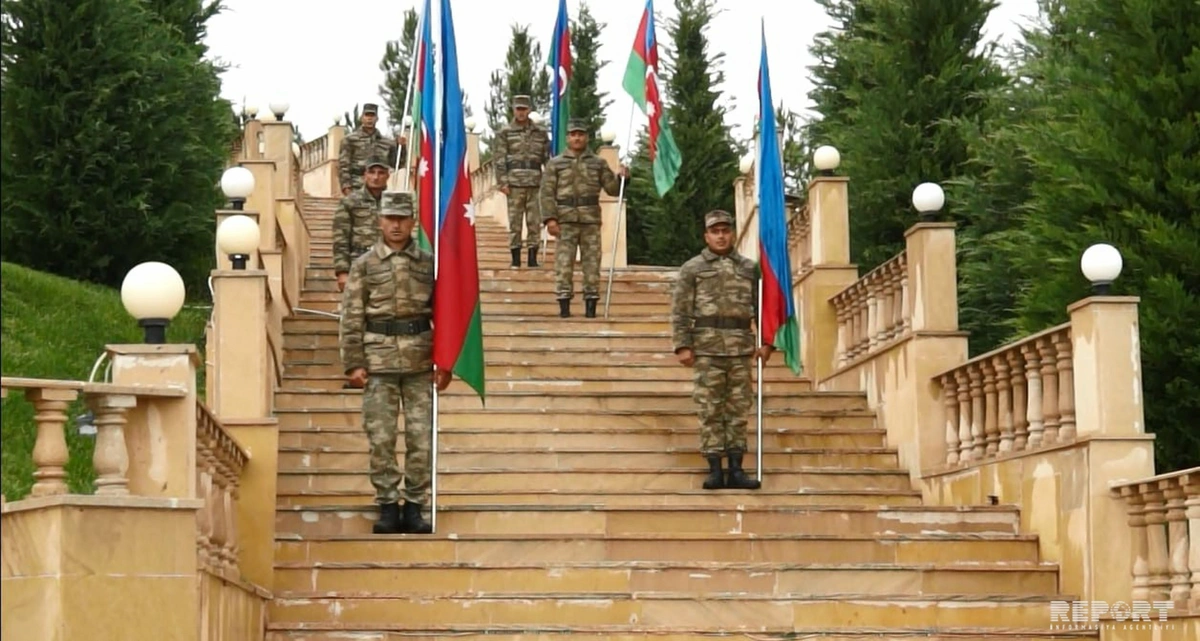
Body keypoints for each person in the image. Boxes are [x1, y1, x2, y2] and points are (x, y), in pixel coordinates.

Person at [339, 190, 452, 534]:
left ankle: (415, 505)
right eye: (390, 218)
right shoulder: (364, 265)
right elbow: (351, 315)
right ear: (379, 221)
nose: (396, 225)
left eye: (402, 218)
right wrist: (353, 363)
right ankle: (388, 504)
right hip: (378, 363)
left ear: (413, 221)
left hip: (420, 363)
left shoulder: (428, 263)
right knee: (381, 439)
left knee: (421, 439)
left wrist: (446, 361)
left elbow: (445, 313)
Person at [670, 210, 775, 490]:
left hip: (740, 348)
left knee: (738, 410)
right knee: (710, 409)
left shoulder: (750, 268)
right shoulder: (692, 268)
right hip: (707, 349)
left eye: (725, 231)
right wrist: (682, 345)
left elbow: (763, 307)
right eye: (715, 231)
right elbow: (680, 310)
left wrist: (767, 342)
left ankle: (737, 469)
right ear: (706, 236)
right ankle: (715, 468)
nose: (720, 236)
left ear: (732, 234)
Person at [540, 118, 628, 318]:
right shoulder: (556, 163)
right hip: (565, 220)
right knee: (564, 265)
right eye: (573, 135)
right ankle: (564, 306)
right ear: (568, 138)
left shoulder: (598, 163)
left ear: (587, 137)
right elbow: (546, 193)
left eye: (580, 134)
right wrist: (550, 219)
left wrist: (623, 178)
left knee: (592, 265)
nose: (577, 138)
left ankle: (591, 305)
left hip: (590, 221)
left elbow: (612, 189)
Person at [493, 95, 550, 268]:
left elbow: (547, 159)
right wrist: (502, 182)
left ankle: (532, 258)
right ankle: (515, 258)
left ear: (529, 109)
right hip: (514, 184)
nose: (521, 112)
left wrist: (549, 182)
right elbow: (500, 159)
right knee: (515, 223)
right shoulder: (505, 132)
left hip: (535, 183)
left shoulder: (540, 133)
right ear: (513, 109)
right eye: (518, 109)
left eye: (524, 109)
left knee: (534, 223)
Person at [332, 154, 390, 292]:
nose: (376, 177)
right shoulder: (350, 201)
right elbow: (340, 237)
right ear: (365, 175)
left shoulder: (393, 202)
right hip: (358, 264)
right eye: (371, 172)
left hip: (388, 265)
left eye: (381, 173)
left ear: (388, 176)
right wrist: (342, 271)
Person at [338, 102, 406, 195]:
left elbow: (397, 164)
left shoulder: (387, 143)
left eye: (372, 115)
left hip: (379, 188)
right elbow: (343, 166)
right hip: (357, 186)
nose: (369, 118)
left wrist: (401, 147)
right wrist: (346, 188)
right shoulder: (350, 140)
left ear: (377, 118)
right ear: (362, 118)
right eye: (367, 115)